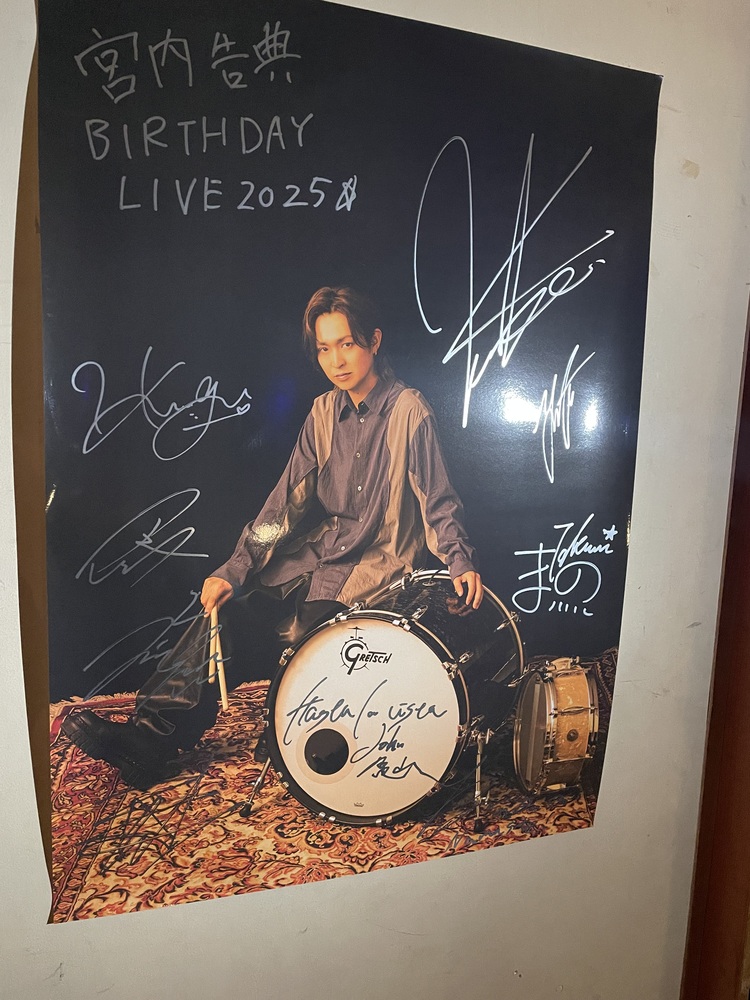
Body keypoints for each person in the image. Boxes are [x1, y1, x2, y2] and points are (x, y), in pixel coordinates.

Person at [62, 287, 483, 789]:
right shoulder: (322, 412)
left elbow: (437, 500)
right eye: (324, 349)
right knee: (227, 608)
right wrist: (235, 569)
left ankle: (289, 730)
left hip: (378, 566)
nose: (336, 361)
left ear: (374, 341)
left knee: (306, 629)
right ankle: (149, 738)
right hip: (320, 553)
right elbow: (283, 508)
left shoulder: (410, 410)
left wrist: (459, 560)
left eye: (347, 344)